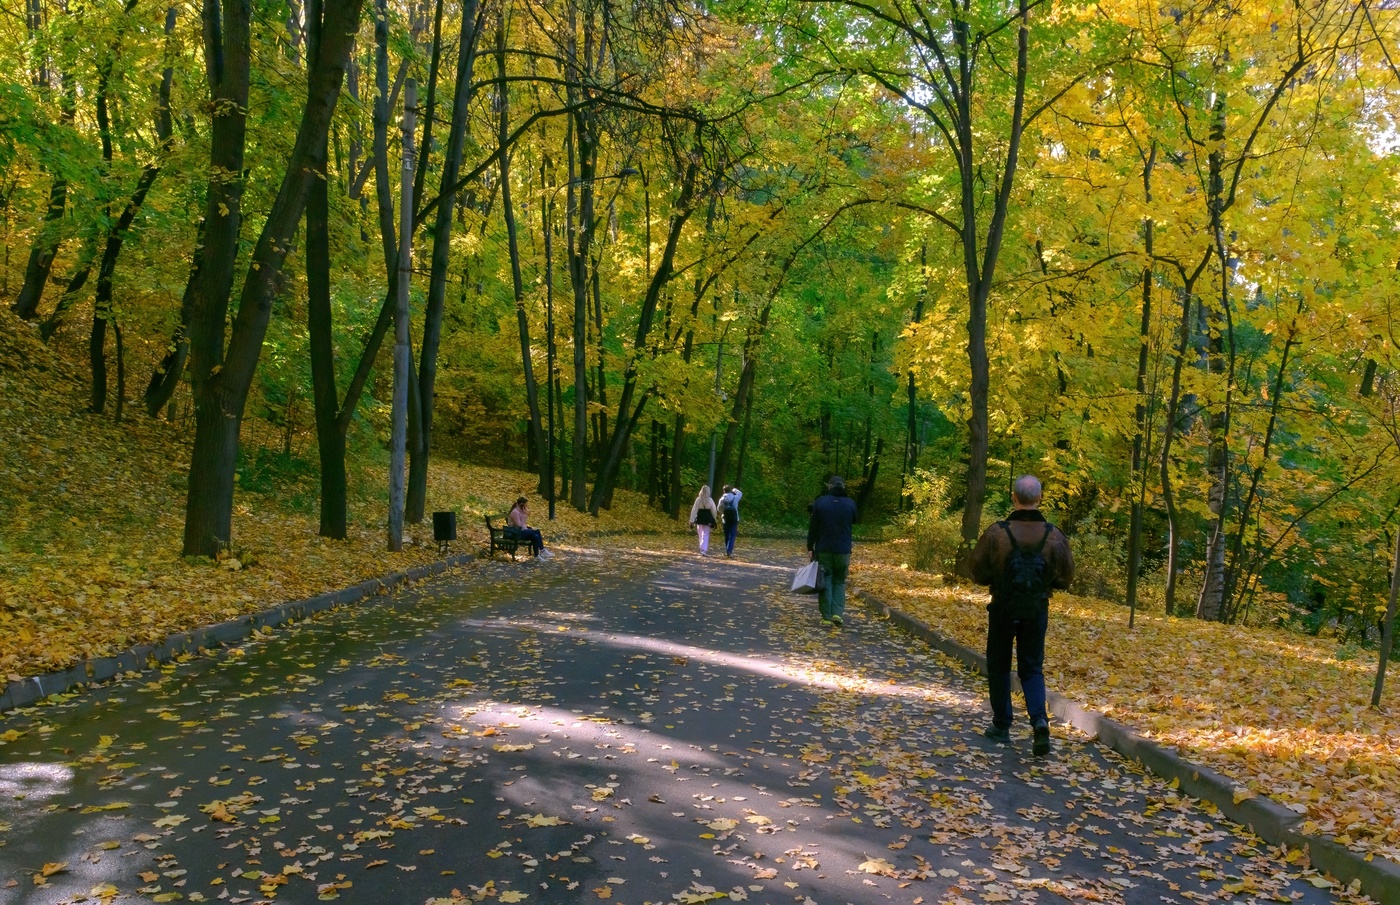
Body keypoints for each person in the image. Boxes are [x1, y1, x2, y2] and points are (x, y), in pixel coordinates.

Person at [969, 474, 1074, 757]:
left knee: (1000, 666)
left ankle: (1001, 726)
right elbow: (1066, 578)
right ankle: (1039, 720)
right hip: (1036, 608)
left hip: (1003, 606)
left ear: (1014, 498)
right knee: (1031, 668)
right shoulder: (1054, 535)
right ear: (1039, 498)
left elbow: (977, 571)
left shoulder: (997, 532)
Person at [807, 475, 857, 627]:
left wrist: (810, 547)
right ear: (843, 487)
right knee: (839, 581)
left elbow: (813, 527)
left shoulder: (821, 502)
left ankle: (826, 617)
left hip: (824, 548)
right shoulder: (850, 504)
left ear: (829, 486)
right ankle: (838, 613)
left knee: (826, 580)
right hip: (843, 550)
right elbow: (855, 519)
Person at [688, 485, 720, 555]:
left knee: (700, 533)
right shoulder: (710, 500)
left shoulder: (698, 500)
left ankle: (701, 547)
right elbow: (714, 510)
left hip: (700, 519)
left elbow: (694, 510)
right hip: (707, 519)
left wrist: (691, 520)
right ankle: (704, 549)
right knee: (706, 534)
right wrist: (714, 519)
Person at [717, 484, 743, 557]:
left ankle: (727, 550)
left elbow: (719, 509)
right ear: (730, 490)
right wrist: (734, 489)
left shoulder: (721, 499)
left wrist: (724, 512)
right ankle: (729, 551)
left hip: (725, 519)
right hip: (734, 518)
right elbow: (740, 493)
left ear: (724, 491)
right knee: (732, 535)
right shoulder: (735, 497)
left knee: (727, 535)